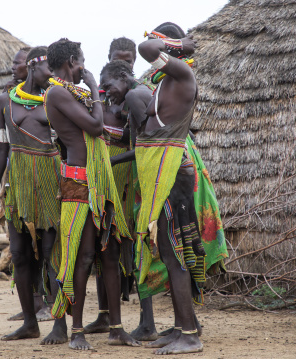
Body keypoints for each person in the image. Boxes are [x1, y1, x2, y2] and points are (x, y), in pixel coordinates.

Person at [44, 38, 139, 350]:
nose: (84, 65)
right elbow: (97, 127)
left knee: (109, 253)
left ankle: (116, 328)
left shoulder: (70, 91)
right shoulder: (57, 91)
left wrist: (90, 91)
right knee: (84, 256)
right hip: (80, 182)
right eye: (81, 59)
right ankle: (77, 332)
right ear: (72, 60)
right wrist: (95, 85)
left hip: (98, 180)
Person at [129, 22, 207, 354]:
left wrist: (173, 44)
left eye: (166, 46)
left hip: (170, 173)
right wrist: (173, 46)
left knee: (174, 253)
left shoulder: (183, 77)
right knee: (168, 250)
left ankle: (190, 334)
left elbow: (145, 47)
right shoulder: (168, 80)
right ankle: (180, 327)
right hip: (161, 171)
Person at [0, 46, 67, 345]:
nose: (54, 74)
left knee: (50, 253)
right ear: (34, 66)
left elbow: (69, 144)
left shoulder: (54, 98)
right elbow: (0, 149)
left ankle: (60, 325)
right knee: (19, 254)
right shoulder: (5, 101)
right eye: (49, 69)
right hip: (17, 182)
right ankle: (30, 322)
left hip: (48, 179)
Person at [85, 37, 153, 337]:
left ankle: (147, 321)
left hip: (129, 182)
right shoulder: (106, 100)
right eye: (119, 59)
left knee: (135, 246)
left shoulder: (137, 97)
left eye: (130, 61)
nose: (125, 64)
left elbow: (144, 146)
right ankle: (104, 316)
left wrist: (112, 163)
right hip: (105, 183)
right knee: (105, 246)